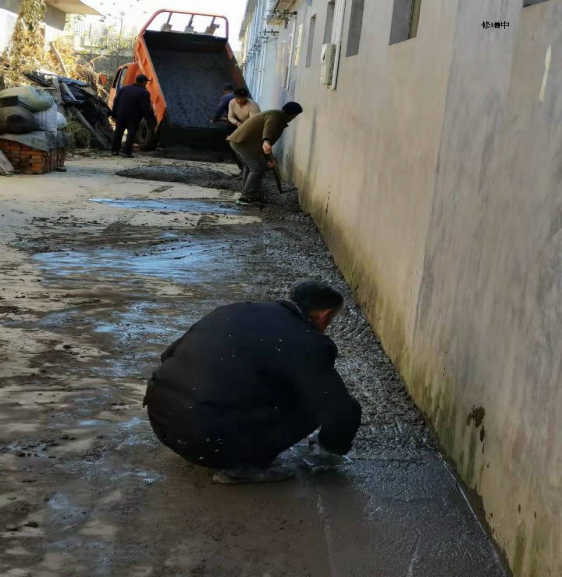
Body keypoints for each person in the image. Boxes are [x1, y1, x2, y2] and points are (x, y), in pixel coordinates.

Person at [144, 280, 362, 485]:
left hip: (164, 424)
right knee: (314, 403)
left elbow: (168, 356)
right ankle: (242, 466)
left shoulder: (232, 311)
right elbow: (340, 411)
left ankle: (215, 442)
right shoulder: (310, 342)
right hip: (208, 442)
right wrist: (330, 446)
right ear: (325, 315)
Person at [228, 102, 303, 205]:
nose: (294, 118)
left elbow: (266, 144)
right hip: (242, 143)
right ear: (293, 114)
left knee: (250, 167)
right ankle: (246, 198)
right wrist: (266, 141)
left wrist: (269, 159)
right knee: (256, 168)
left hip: (240, 141)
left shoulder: (278, 116)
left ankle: (249, 194)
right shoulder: (275, 116)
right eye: (295, 115)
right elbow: (269, 128)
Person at [111, 74, 154, 158]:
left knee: (118, 132)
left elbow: (116, 101)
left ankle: (114, 151)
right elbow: (145, 108)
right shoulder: (144, 93)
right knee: (131, 134)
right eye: (146, 82)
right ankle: (126, 152)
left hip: (121, 114)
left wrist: (113, 114)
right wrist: (149, 120)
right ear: (144, 82)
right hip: (133, 117)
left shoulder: (124, 89)